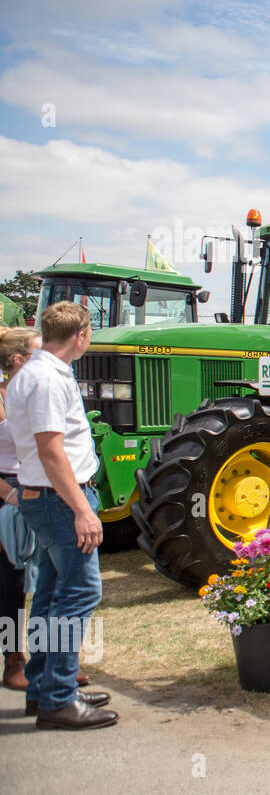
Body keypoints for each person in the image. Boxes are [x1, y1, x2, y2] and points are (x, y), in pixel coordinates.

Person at [6, 302, 115, 729]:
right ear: (81, 336)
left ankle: (46, 687)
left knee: (51, 596)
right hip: (58, 499)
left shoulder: (31, 372)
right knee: (80, 593)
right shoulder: (48, 379)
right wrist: (82, 508)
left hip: (43, 497)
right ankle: (57, 698)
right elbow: (52, 451)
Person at [0, 327, 41, 691]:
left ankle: (51, 657)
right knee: (10, 582)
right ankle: (13, 659)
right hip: (7, 491)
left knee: (44, 579)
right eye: (36, 353)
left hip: (33, 485)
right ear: (18, 360)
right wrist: (9, 495)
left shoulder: (32, 392)